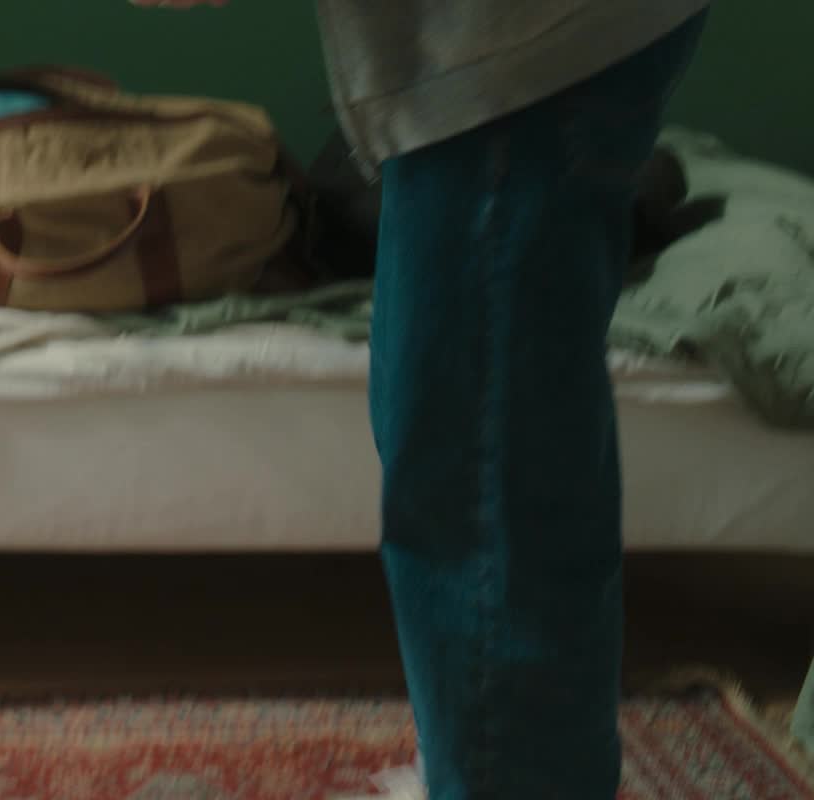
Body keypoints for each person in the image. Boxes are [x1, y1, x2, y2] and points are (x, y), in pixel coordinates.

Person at [132, 2, 711, 798]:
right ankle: (490, 771)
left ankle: (512, 783)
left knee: (479, 465)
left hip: (513, 55)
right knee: (470, 432)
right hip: (501, 56)